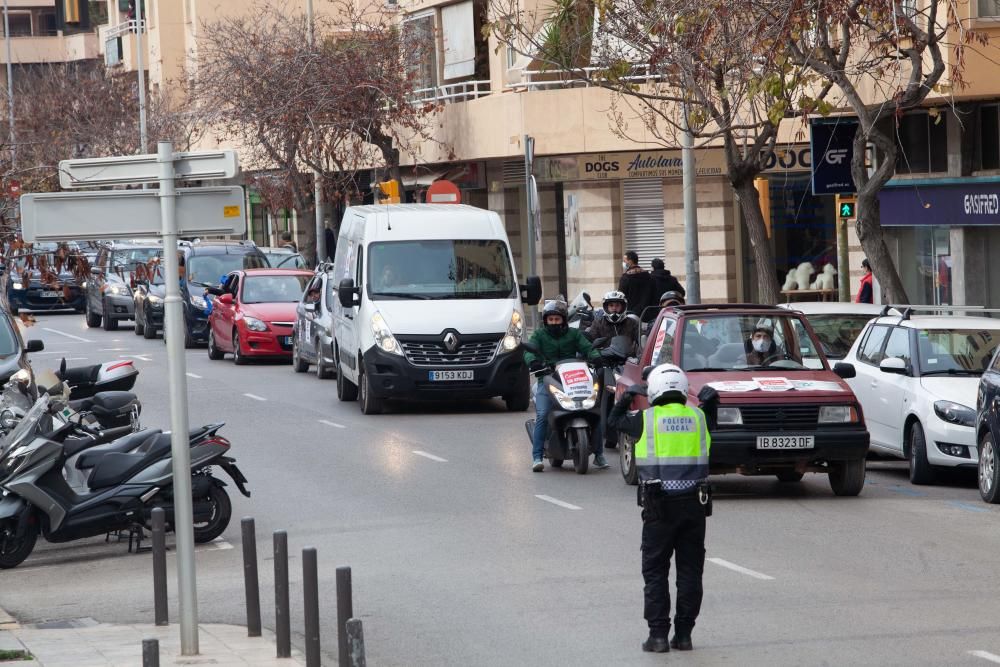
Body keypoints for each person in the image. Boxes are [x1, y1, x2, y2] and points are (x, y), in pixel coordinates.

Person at [609, 364, 712, 653]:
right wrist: (710, 402)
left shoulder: (645, 419)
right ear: (682, 388)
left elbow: (613, 423)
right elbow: (712, 423)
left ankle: (657, 636)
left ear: (653, 389)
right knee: (690, 572)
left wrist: (627, 397)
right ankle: (684, 635)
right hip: (695, 505)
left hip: (658, 508)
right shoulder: (699, 416)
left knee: (655, 572)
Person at [523, 300, 606, 471]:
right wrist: (533, 362)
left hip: (575, 379)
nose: (554, 323)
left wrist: (596, 356)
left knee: (593, 411)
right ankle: (537, 456)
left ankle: (599, 454)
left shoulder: (574, 334)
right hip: (547, 379)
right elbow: (528, 352)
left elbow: (588, 348)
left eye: (557, 319)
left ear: (563, 320)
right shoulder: (539, 335)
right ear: (546, 321)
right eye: (551, 320)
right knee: (543, 413)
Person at [587, 291, 640, 355]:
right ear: (606, 307)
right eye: (611, 305)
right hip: (604, 358)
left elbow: (641, 341)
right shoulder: (598, 323)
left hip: (627, 359)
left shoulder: (632, 323)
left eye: (617, 305)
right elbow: (589, 342)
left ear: (623, 307)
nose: (614, 308)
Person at [618, 251, 655, 320]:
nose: (623, 263)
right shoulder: (648, 276)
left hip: (630, 314)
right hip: (647, 314)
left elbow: (621, 296)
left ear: (630, 261)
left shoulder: (625, 277)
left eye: (624, 261)